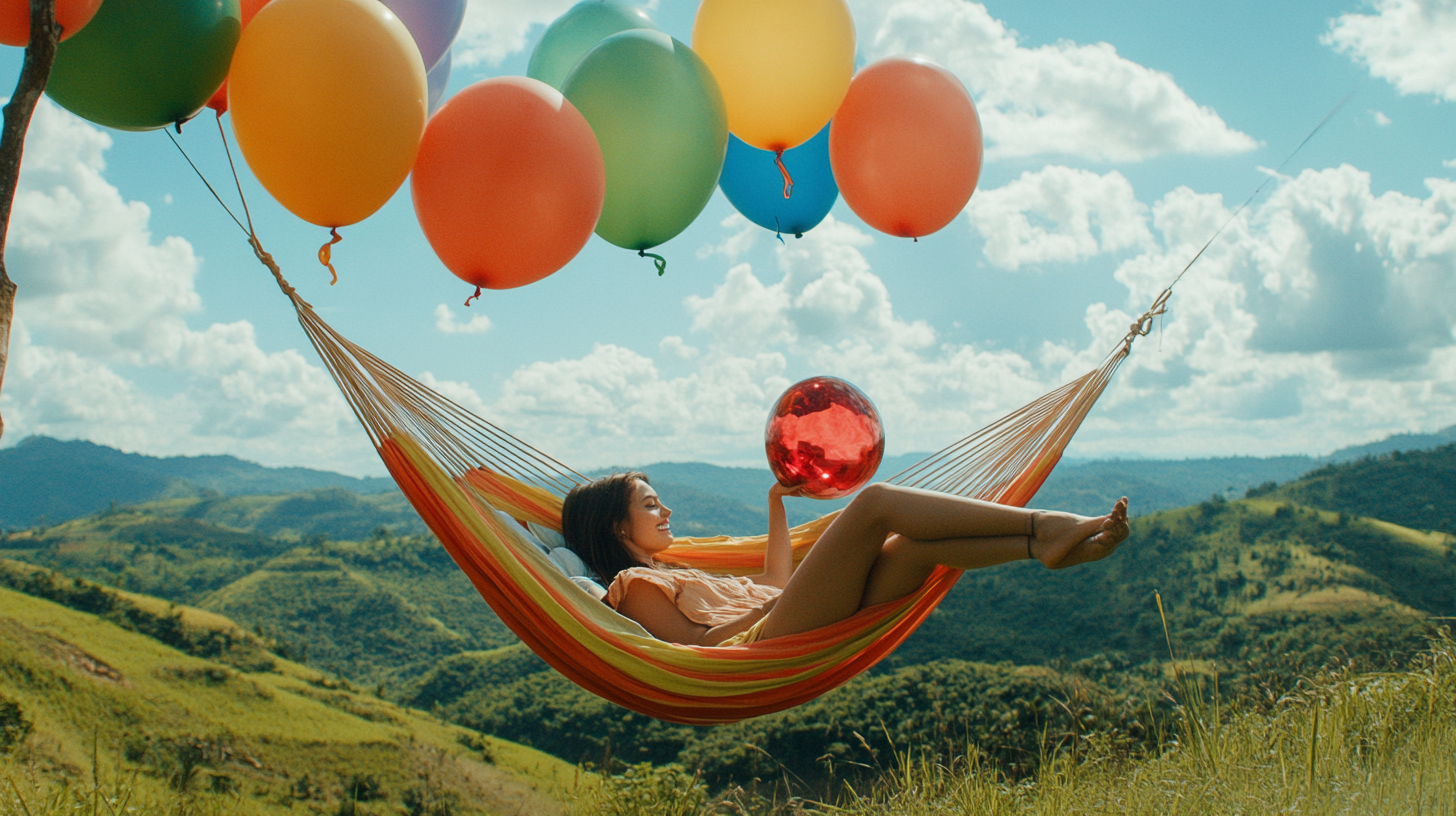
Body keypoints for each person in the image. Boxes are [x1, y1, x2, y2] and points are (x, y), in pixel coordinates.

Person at [562, 472, 1130, 647]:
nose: (667, 511)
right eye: (651, 505)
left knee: (907, 549)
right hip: (761, 645)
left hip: (790, 612)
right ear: (617, 525)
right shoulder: (634, 585)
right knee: (877, 503)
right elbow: (701, 648)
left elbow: (774, 579)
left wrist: (774, 505)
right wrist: (780, 603)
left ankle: (1040, 548)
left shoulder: (678, 569)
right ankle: (1044, 526)